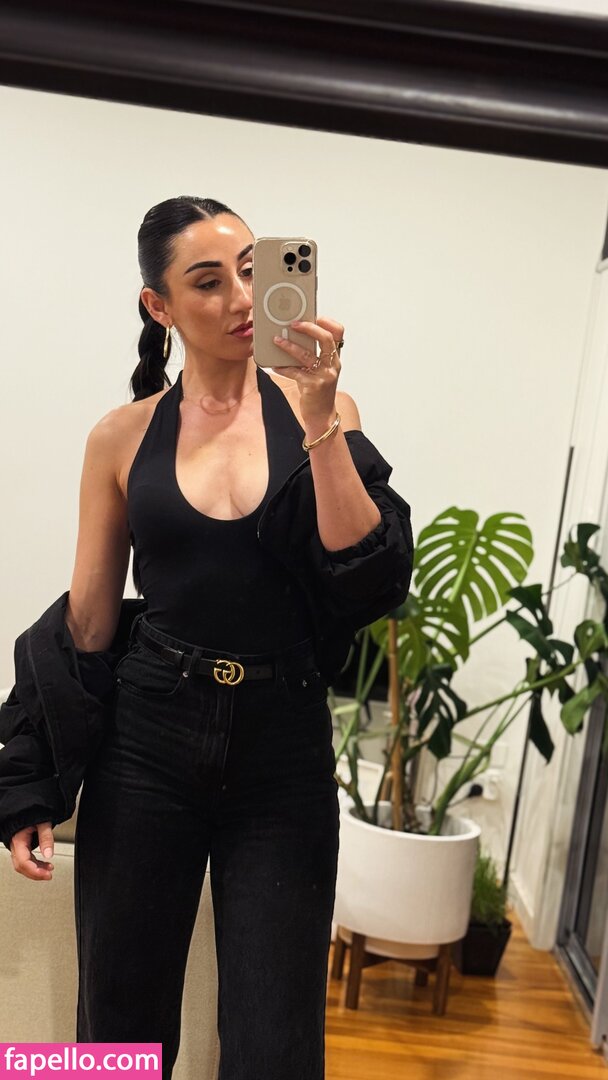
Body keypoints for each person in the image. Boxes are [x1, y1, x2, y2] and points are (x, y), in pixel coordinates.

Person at [5, 196, 413, 1079]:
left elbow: (369, 577)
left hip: (282, 747)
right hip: (148, 738)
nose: (241, 297)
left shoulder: (326, 407)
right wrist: (28, 776)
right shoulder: (122, 436)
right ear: (158, 305)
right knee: (119, 1026)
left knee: (274, 1040)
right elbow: (89, 620)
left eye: (253, 272)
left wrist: (320, 419)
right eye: (208, 280)